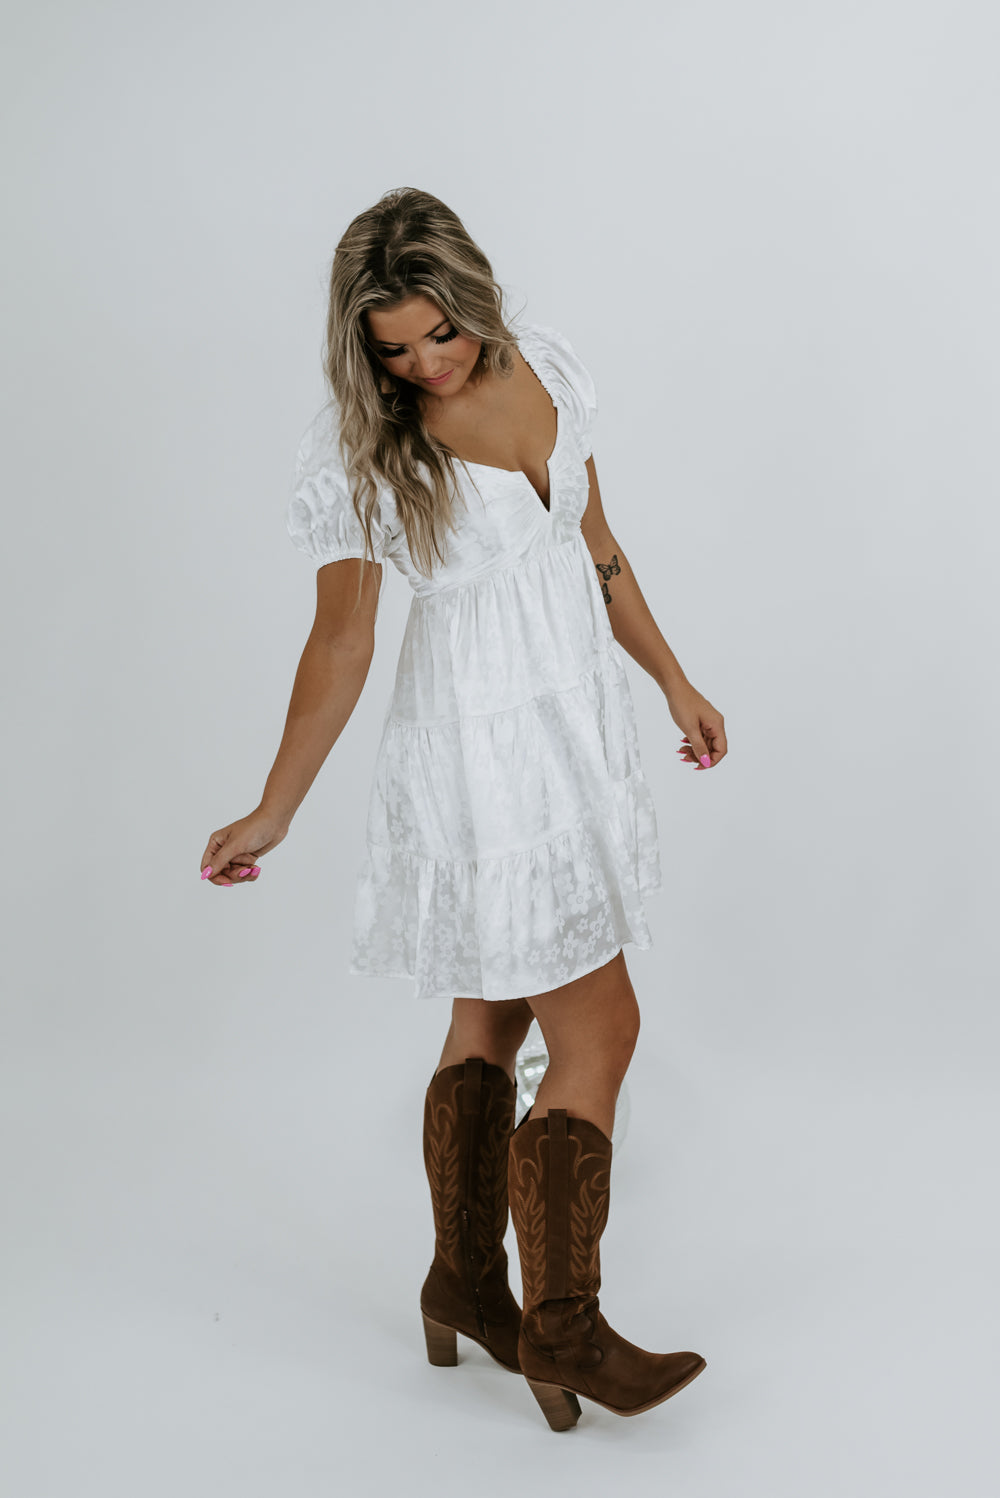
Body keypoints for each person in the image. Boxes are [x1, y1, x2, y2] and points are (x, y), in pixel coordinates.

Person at [199, 187, 727, 1432]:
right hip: (484, 761)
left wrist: (671, 675)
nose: (425, 364)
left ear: (473, 297)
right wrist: (275, 806)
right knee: (602, 1028)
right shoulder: (366, 448)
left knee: (491, 1011)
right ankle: (564, 1329)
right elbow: (340, 645)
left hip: (570, 733)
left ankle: (466, 1285)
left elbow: (595, 545)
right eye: (393, 349)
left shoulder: (546, 368)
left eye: (440, 332)